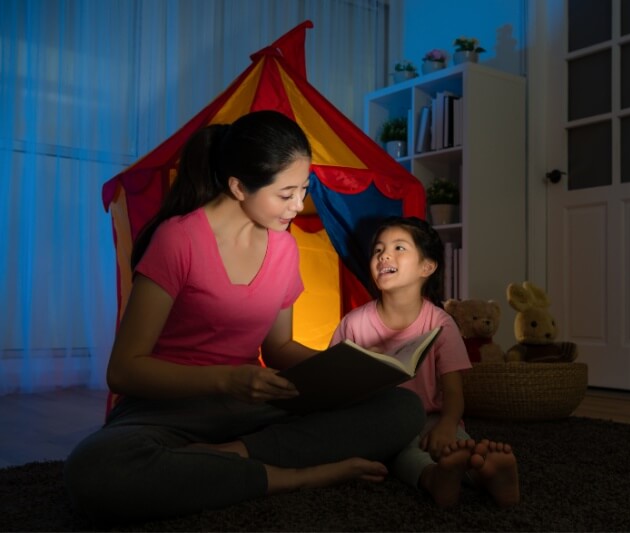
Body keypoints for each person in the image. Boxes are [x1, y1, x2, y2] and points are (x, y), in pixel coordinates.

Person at [64, 111, 425, 525]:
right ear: (238, 186)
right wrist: (227, 378)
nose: (297, 205)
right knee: (94, 470)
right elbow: (124, 371)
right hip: (165, 410)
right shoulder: (177, 239)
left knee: (402, 408)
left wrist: (348, 369)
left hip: (247, 408)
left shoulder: (283, 248)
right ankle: (294, 477)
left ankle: (231, 456)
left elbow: (279, 348)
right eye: (285, 193)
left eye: (303, 190)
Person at [329, 216, 520, 508]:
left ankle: (487, 476)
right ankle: (433, 479)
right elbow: (337, 382)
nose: (384, 255)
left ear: (426, 267)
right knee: (405, 453)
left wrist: (446, 424)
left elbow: (454, 392)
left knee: (457, 443)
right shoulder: (353, 323)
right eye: (378, 250)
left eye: (398, 247)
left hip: (432, 417)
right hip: (383, 421)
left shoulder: (440, 323)